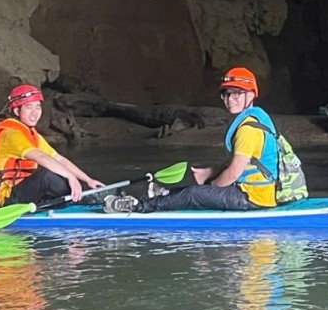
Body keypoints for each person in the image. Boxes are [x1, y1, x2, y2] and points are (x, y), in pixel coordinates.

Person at [106, 67, 277, 213]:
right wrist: (209, 172)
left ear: (251, 94)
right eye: (226, 95)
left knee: (194, 194)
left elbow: (233, 173)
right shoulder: (256, 119)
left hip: (253, 197)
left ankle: (139, 207)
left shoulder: (248, 131)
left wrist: (210, 188)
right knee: (197, 190)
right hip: (254, 191)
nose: (230, 99)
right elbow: (243, 164)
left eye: (237, 94)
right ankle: (166, 196)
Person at [0, 85, 103, 207]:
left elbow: (58, 158)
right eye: (29, 107)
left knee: (60, 175)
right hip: (6, 198)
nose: (34, 113)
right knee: (46, 176)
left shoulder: (31, 135)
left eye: (38, 107)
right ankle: (82, 202)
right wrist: (70, 176)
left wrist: (88, 180)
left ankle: (79, 200)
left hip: (25, 191)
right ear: (17, 111)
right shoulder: (10, 135)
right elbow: (41, 157)